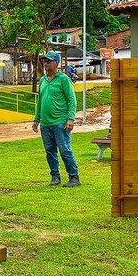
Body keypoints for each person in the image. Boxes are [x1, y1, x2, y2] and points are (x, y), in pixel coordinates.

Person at [32, 51, 80, 187]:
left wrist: (70, 118)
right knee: (50, 151)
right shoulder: (42, 80)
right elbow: (40, 101)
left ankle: (74, 177)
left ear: (56, 63)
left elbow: (71, 99)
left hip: (60, 122)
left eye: (48, 61)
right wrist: (37, 119)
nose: (45, 63)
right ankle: (55, 177)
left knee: (65, 150)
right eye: (44, 61)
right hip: (45, 124)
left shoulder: (64, 79)